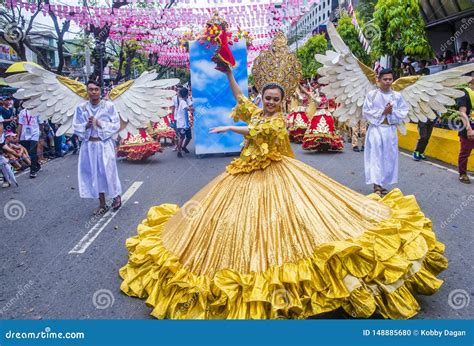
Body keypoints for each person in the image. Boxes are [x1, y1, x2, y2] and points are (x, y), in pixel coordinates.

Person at [119, 34, 447, 320]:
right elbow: (239, 98)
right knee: (234, 228)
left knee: (297, 224)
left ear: (282, 101)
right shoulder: (256, 107)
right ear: (262, 96)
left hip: (277, 173)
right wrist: (230, 73)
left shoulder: (278, 121)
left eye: (276, 99)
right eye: (267, 98)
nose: (271, 102)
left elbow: (257, 131)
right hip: (244, 175)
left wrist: (230, 127)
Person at [72, 80, 122, 215]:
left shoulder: (109, 106)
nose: (93, 92)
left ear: (100, 91)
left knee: (109, 172)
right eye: (91, 89)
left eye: (96, 89)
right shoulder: (81, 108)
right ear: (87, 91)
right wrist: (86, 126)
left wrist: (99, 123)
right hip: (89, 146)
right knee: (95, 173)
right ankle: (102, 203)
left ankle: (116, 196)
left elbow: (116, 125)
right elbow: (76, 126)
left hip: (105, 144)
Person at [363, 68, 409, 196]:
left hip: (390, 130)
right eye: (385, 79)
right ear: (379, 80)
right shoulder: (372, 95)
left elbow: (403, 111)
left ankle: (382, 183)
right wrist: (383, 112)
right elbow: (366, 112)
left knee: (388, 157)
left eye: (390, 79)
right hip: (376, 130)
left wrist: (391, 112)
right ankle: (376, 185)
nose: (388, 82)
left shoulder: (397, 96)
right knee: (376, 156)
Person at [456, 72, 474, 184]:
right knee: (465, 152)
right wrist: (468, 129)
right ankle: (462, 173)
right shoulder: (463, 93)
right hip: (468, 129)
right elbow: (462, 113)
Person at [16, 107, 41, 178]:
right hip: (24, 135)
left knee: (32, 151)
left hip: (35, 133)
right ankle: (37, 165)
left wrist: (41, 132)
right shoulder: (22, 112)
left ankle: (32, 171)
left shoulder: (37, 111)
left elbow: (40, 123)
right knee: (30, 152)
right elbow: (20, 125)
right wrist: (18, 136)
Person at [175, 87, 193, 158]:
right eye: (188, 93)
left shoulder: (185, 100)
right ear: (186, 94)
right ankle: (179, 152)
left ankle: (183, 147)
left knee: (189, 137)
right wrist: (193, 109)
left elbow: (190, 105)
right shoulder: (183, 102)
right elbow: (186, 108)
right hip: (181, 124)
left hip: (186, 123)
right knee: (182, 137)